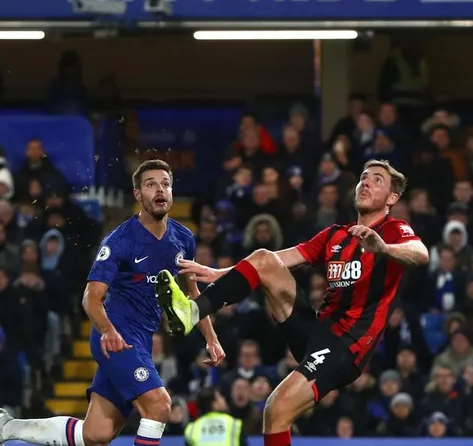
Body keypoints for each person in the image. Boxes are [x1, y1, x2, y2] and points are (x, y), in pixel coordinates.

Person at [160, 159, 428, 446]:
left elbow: (420, 253)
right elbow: (274, 262)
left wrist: (383, 248)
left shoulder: (394, 230)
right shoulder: (336, 234)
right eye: (364, 177)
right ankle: (192, 312)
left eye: (377, 180)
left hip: (346, 347)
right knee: (264, 256)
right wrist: (220, 273)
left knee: (276, 410)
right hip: (315, 332)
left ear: (391, 198)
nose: (366, 183)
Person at [0, 160, 224, 446]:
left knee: (95, 434)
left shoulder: (183, 238)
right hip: (116, 337)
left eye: (165, 183)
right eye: (151, 184)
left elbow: (193, 295)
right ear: (138, 194)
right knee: (159, 406)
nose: (160, 190)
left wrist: (211, 338)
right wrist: (108, 330)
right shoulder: (120, 241)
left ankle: (6, 428)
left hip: (140, 340)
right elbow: (91, 298)